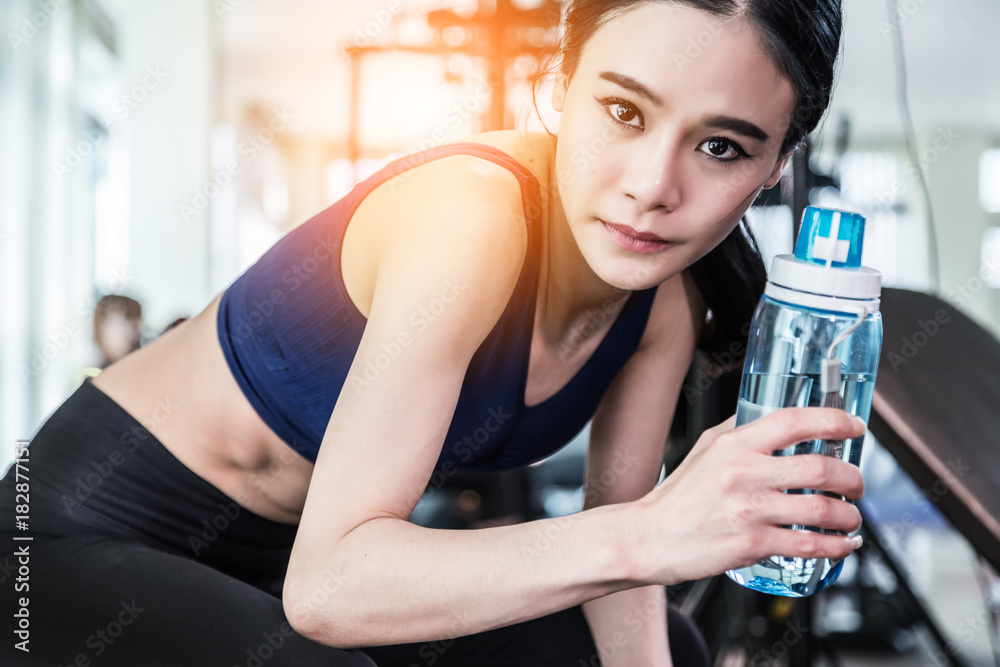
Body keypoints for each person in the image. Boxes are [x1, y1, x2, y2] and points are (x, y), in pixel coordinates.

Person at [0, 0, 866, 665]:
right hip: (84, 537)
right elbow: (330, 588)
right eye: (625, 114)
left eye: (720, 148)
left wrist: (644, 575)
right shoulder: (470, 218)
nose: (651, 185)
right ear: (561, 88)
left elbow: (618, 546)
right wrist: (654, 528)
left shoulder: (663, 304)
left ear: (776, 166)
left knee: (660, 645)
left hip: (281, 566)